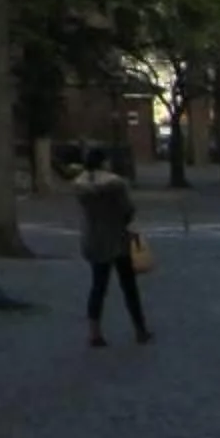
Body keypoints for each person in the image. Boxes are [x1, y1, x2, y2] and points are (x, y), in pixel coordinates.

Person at [74, 142, 150, 347]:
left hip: (94, 238)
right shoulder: (116, 184)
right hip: (117, 237)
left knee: (98, 286)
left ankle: (94, 332)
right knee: (128, 286)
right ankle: (140, 329)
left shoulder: (80, 185)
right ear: (104, 162)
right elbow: (128, 210)